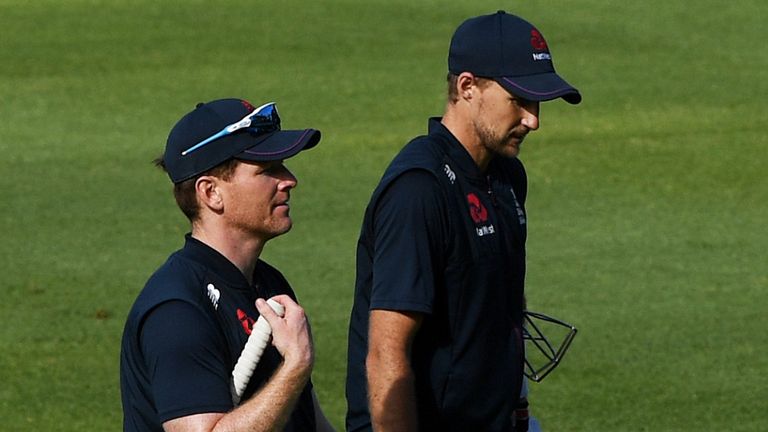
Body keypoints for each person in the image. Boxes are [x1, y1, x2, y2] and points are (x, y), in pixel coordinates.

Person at [346, 11, 581, 432]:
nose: (533, 120)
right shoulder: (418, 190)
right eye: (519, 100)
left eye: (538, 103)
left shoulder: (506, 175)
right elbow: (386, 353)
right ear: (467, 87)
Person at [120, 98, 335, 432]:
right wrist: (295, 365)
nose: (289, 179)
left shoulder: (268, 282)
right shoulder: (177, 310)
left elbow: (307, 420)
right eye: (268, 169)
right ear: (211, 193)